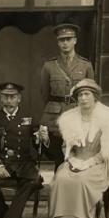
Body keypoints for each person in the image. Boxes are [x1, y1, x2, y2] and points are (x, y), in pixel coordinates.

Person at [48, 79, 109, 218]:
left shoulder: (107, 118)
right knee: (61, 178)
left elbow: (107, 152)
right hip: (75, 161)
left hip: (97, 164)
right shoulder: (69, 119)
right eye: (80, 95)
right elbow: (65, 148)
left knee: (80, 181)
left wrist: (88, 163)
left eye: (87, 94)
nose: (83, 98)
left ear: (94, 97)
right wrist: (72, 159)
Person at [0, 82, 49, 218]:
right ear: (1, 98)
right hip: (1, 163)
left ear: (19, 98)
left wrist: (41, 138)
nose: (9, 100)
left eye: (13, 97)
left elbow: (38, 144)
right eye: (5, 97)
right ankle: (7, 215)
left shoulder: (29, 118)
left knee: (34, 181)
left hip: (24, 163)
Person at [40, 23, 95, 168]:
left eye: (68, 39)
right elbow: (45, 93)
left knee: (79, 155)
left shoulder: (85, 65)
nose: (65, 43)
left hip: (78, 114)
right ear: (58, 43)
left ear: (75, 40)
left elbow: (91, 93)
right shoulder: (49, 66)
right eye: (61, 40)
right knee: (58, 155)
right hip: (55, 116)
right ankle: (60, 187)